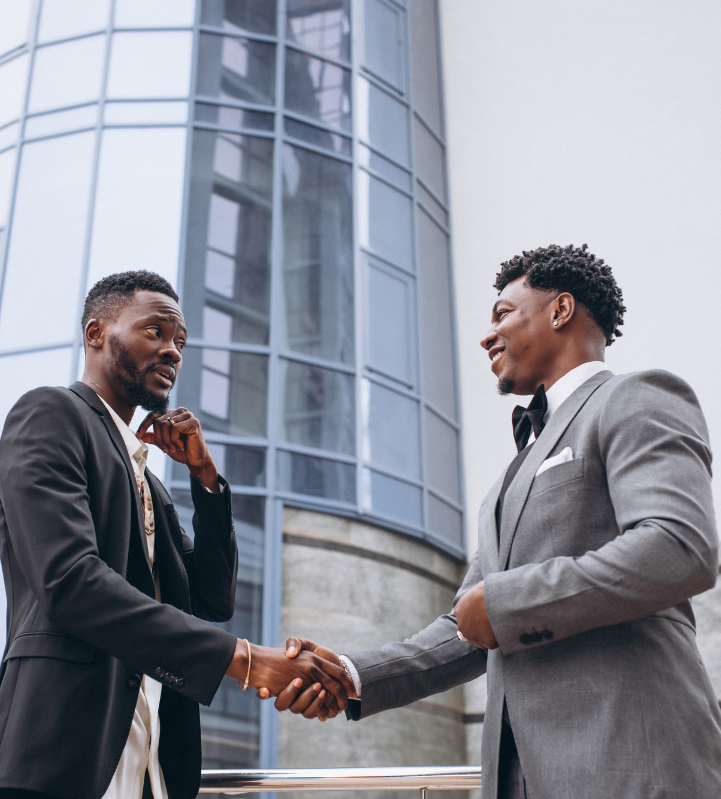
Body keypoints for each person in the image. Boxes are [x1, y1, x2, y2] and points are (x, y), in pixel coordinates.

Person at [270, 244, 721, 799]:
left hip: (629, 764)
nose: (487, 336)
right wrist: (351, 673)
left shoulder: (637, 396)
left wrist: (504, 602)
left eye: (504, 313)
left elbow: (679, 547)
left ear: (560, 311)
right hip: (517, 778)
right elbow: (468, 626)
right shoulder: (507, 480)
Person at [0, 272, 352, 799]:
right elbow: (69, 580)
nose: (172, 351)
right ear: (97, 333)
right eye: (155, 332)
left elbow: (211, 601)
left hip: (152, 765)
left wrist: (206, 478)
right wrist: (249, 661)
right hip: (60, 752)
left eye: (180, 342)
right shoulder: (50, 415)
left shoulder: (149, 483)